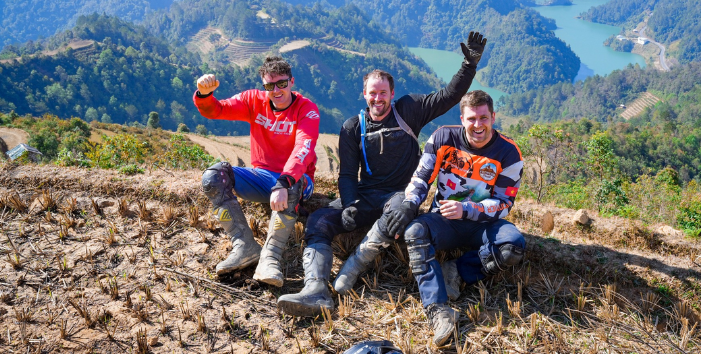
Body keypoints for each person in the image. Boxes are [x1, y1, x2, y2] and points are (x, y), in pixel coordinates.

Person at [276, 32, 487, 317]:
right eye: (372, 93)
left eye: (383, 93)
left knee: (399, 211)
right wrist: (350, 204)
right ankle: (315, 290)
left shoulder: (409, 111)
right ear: (364, 94)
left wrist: (469, 65)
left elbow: (448, 97)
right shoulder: (352, 127)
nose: (378, 99)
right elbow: (348, 174)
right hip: (365, 195)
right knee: (318, 219)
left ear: (392, 94)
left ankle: (351, 268)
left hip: (400, 195)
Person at [387, 90, 525, 346]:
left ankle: (458, 271)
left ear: (493, 117)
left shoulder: (509, 153)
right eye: (471, 119)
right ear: (462, 119)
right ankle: (438, 311)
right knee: (415, 233)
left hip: (484, 225)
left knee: (513, 246)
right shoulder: (443, 137)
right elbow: (422, 177)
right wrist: (410, 204)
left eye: (483, 118)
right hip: (443, 221)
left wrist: (468, 210)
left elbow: (505, 204)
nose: (478, 125)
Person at [193, 56, 320, 285]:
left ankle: (269, 258)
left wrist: (284, 181)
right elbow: (217, 110)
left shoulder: (307, 109)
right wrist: (204, 94)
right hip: (261, 176)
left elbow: (304, 148)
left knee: (292, 185)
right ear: (264, 87)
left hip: (298, 179)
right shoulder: (253, 100)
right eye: (269, 86)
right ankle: (244, 246)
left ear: (292, 82)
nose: (276, 90)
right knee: (213, 177)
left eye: (281, 83)